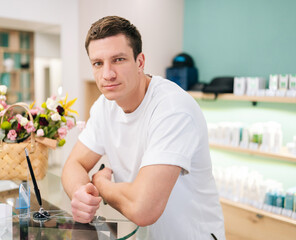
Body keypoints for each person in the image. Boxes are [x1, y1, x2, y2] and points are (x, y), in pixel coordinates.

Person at [61, 16, 225, 240]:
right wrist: (81, 192)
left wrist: (101, 184)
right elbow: (74, 164)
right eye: (98, 63)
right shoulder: (104, 106)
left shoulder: (172, 109)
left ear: (140, 62)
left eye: (118, 60)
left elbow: (143, 209)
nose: (107, 74)